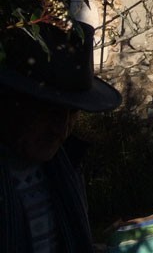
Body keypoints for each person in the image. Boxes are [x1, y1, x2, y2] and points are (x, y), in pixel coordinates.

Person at [0, 21, 122, 252]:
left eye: (73, 112)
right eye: (50, 112)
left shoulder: (66, 166)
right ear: (12, 101)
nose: (62, 129)